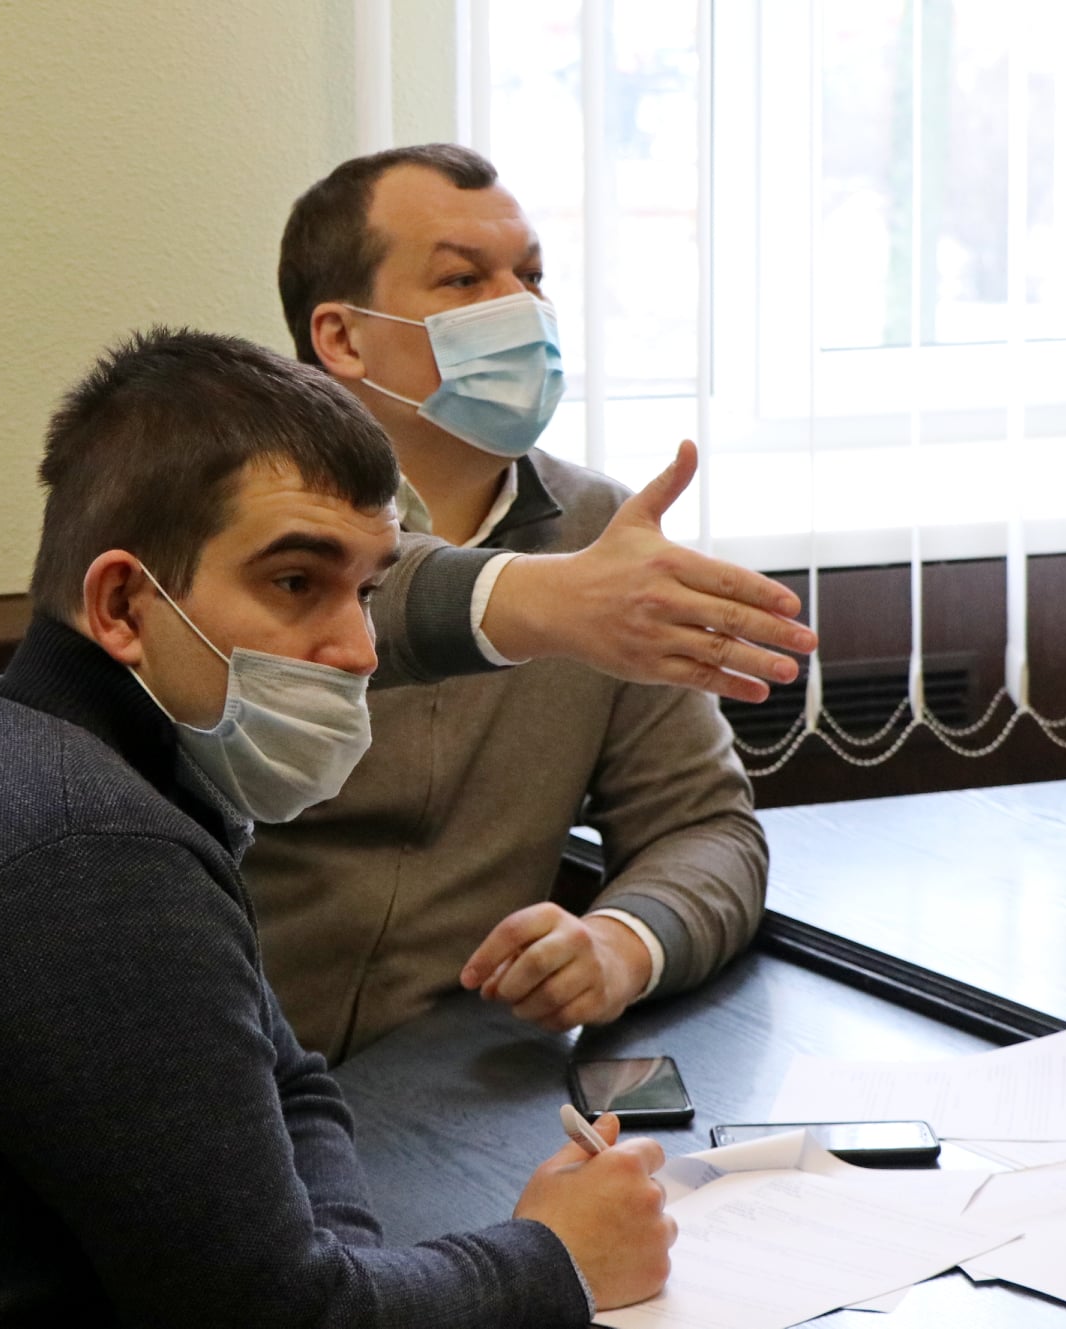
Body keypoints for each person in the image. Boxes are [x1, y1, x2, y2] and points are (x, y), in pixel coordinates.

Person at [0, 327, 835, 1324]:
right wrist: (558, 1261)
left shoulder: (37, 747)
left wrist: (329, 1259)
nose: (358, 650)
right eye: (297, 581)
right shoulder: (79, 853)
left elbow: (292, 1082)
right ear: (121, 605)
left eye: (368, 589)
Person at [250, 143, 769, 1059]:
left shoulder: (597, 531)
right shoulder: (234, 509)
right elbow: (382, 593)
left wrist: (622, 943)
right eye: (464, 280)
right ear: (341, 338)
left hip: (460, 1074)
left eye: (530, 276)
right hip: (228, 1068)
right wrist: (540, 598)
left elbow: (704, 825)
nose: (522, 309)